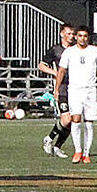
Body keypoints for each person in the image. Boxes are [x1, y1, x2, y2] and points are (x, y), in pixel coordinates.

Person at [54, 25, 97, 164]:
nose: (82, 38)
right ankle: (77, 150)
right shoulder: (69, 52)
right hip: (74, 90)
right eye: (79, 36)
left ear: (88, 37)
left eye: (85, 36)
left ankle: (87, 153)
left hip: (90, 90)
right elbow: (61, 71)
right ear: (76, 37)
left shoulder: (95, 51)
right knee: (76, 119)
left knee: (89, 123)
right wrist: (56, 89)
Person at [38, 22, 75, 158]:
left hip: (75, 88)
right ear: (62, 34)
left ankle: (57, 147)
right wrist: (55, 73)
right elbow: (41, 66)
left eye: (72, 34)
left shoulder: (76, 49)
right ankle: (49, 138)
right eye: (69, 33)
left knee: (73, 120)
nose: (71, 36)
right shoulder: (55, 50)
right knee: (66, 119)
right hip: (62, 88)